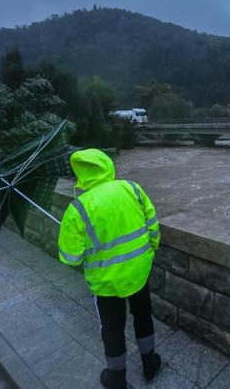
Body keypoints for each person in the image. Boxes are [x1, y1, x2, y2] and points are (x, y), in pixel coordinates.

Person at [58, 148, 161, 389]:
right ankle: (150, 364)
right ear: (107, 165)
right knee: (143, 316)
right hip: (139, 272)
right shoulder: (132, 188)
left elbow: (71, 258)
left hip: (106, 284)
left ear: (80, 174)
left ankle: (116, 378)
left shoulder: (78, 209)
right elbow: (152, 225)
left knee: (112, 329)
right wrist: (151, 249)